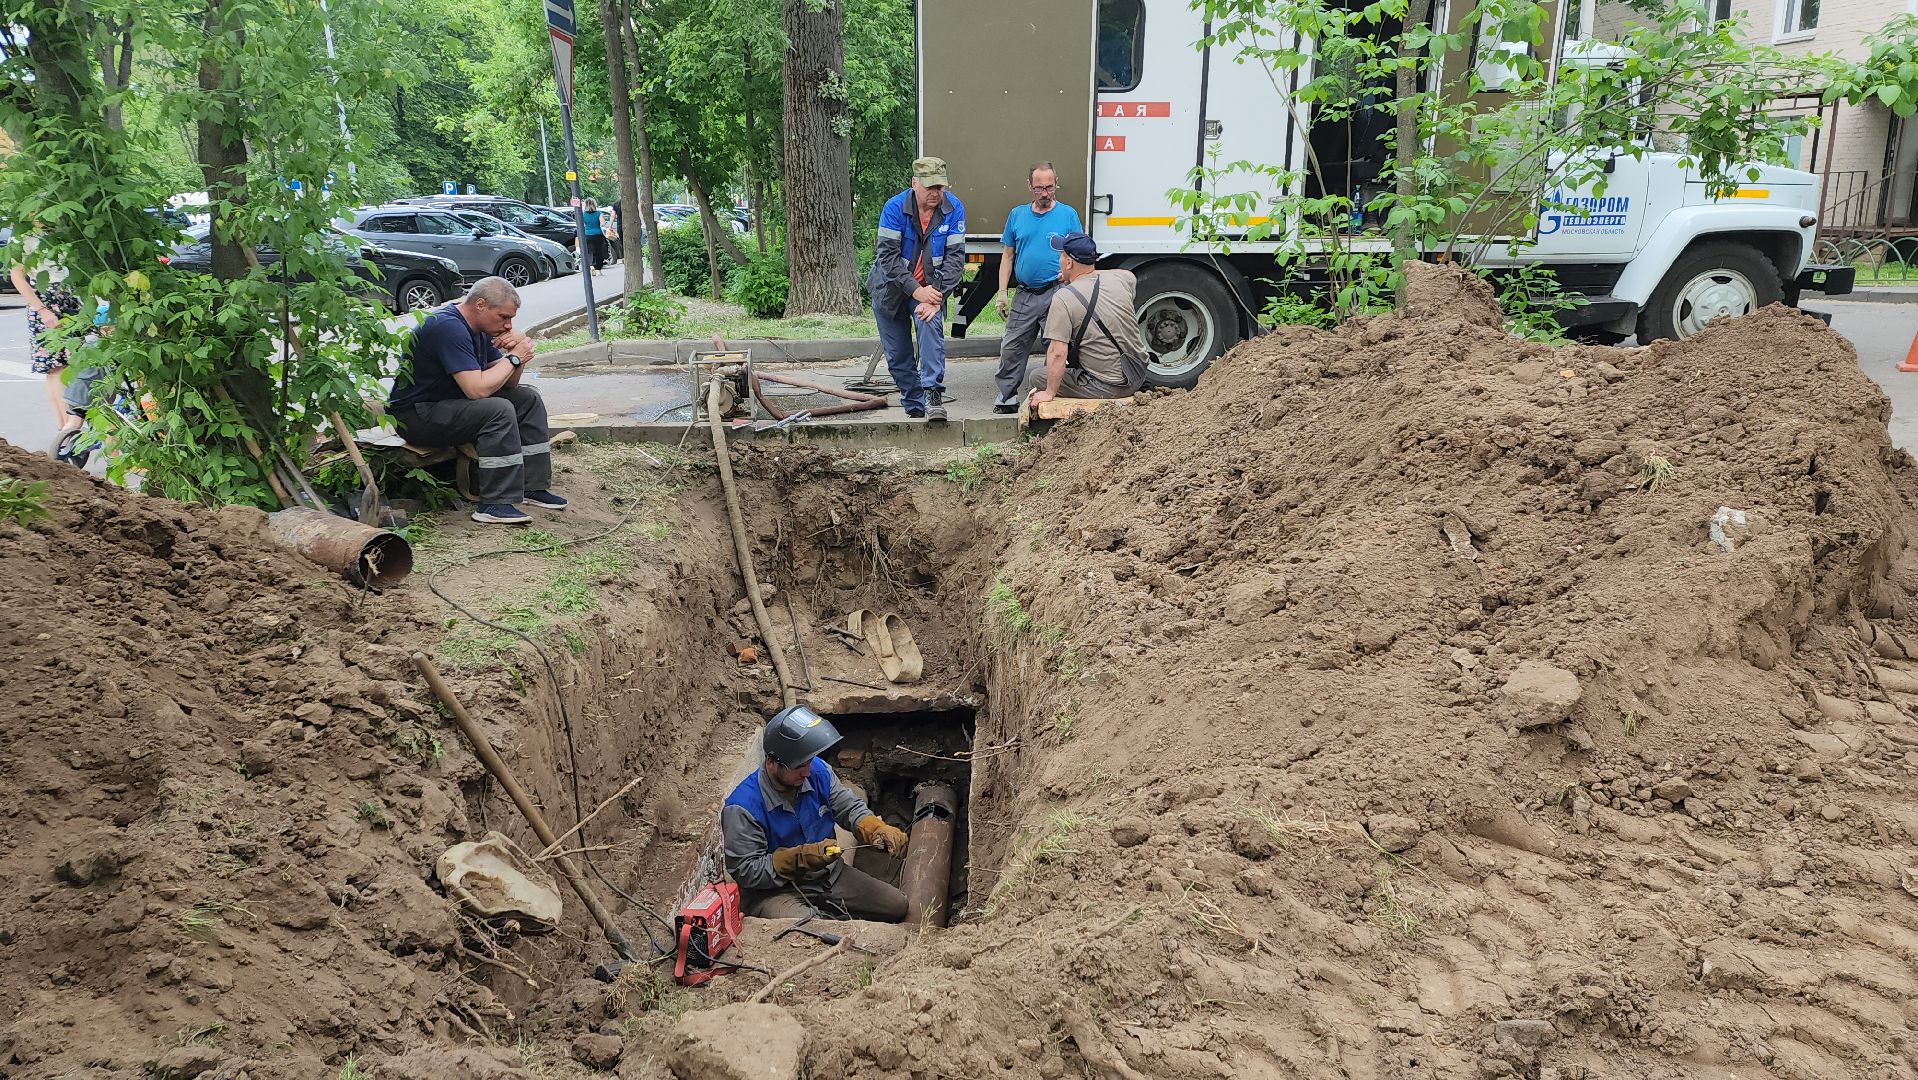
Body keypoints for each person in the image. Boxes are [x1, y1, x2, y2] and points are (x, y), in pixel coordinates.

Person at [387, 277, 566, 525]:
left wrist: (518, 354)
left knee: (526, 399)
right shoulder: (448, 327)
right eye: (504, 317)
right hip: (415, 416)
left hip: (448, 405)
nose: (508, 325)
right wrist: (513, 358)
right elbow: (477, 390)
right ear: (480, 304)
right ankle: (494, 503)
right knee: (498, 409)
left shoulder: (480, 329)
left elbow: (508, 383)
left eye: (511, 319)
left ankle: (531, 487)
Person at [721, 705, 911, 921]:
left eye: (809, 761)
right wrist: (798, 860)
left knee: (897, 905)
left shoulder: (817, 772)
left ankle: (827, 912)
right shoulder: (743, 808)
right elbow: (746, 870)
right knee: (813, 930)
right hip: (775, 892)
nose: (808, 771)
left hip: (829, 875)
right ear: (772, 763)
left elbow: (848, 806)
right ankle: (820, 918)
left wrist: (873, 827)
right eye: (800, 766)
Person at [867, 156, 966, 422]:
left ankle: (933, 394)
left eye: (940, 187)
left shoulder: (953, 208)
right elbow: (887, 258)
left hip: (929, 289)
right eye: (930, 187)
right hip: (891, 290)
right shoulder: (894, 208)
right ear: (914, 184)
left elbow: (956, 258)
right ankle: (914, 406)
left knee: (930, 325)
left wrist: (937, 296)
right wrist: (916, 290)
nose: (936, 193)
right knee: (898, 357)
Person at [993, 162, 1083, 414]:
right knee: (1012, 345)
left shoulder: (1068, 215)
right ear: (1029, 187)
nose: (1045, 193)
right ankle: (1006, 396)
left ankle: (1049, 395)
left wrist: (1069, 275)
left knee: (1056, 347)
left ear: (1057, 184)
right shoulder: (1017, 215)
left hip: (1057, 291)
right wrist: (1002, 294)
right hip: (1025, 293)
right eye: (1039, 188)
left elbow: (1079, 253)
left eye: (1050, 187)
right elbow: (1007, 256)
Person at [1028, 231, 1149, 406]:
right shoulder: (1123, 278)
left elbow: (1058, 353)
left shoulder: (1063, 298)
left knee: (1037, 376)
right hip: (1137, 374)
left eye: (1061, 257)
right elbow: (1127, 277)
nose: (1060, 261)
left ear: (1068, 263)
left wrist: (1049, 392)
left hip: (1110, 386)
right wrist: (1078, 275)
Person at [11, 257, 85, 439]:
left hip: (69, 298)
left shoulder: (60, 230)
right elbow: (17, 276)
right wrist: (42, 310)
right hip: (47, 301)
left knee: (65, 366)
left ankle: (66, 428)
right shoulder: (24, 237)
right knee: (57, 367)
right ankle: (66, 428)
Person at [582, 198, 606, 270]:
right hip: (598, 234)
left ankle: (591, 264)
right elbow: (603, 224)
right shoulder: (598, 213)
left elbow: (581, 224)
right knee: (599, 251)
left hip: (587, 234)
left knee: (590, 251)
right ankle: (598, 268)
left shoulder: (584, 214)